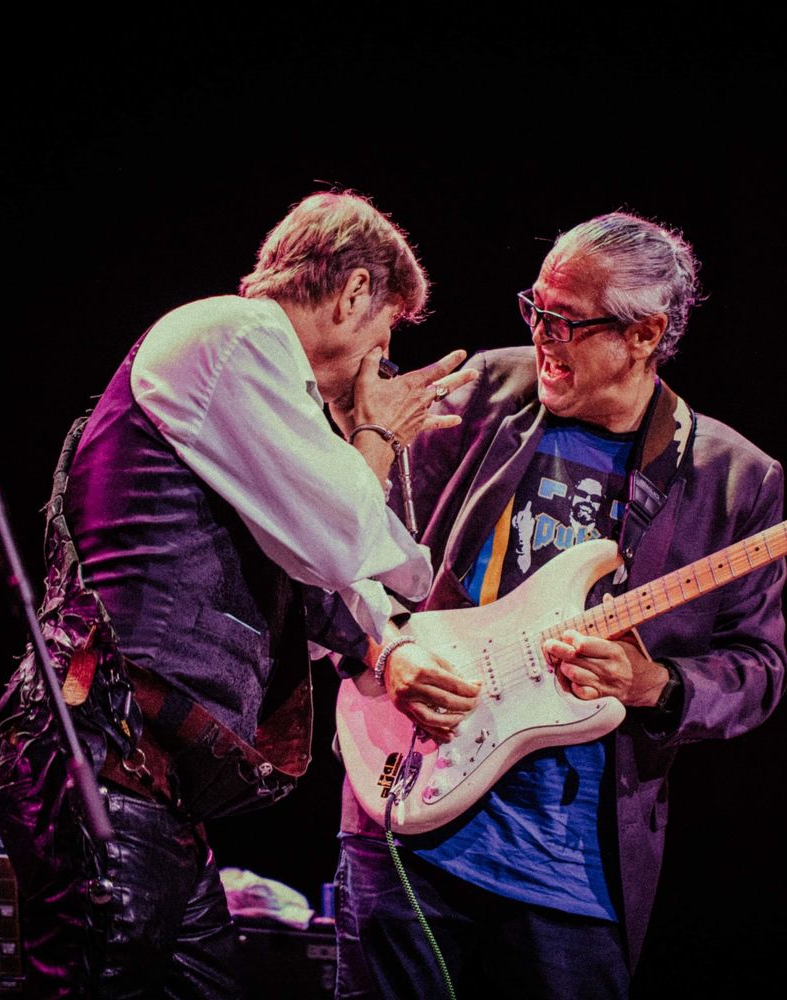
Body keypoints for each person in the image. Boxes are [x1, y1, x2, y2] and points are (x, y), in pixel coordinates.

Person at [0, 190, 476, 998]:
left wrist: (390, 639)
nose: (380, 359)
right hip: (104, 760)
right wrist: (379, 435)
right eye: (387, 328)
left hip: (151, 788)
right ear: (355, 292)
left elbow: (355, 580)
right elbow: (342, 543)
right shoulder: (236, 335)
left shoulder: (263, 387)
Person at [335, 212, 787, 999]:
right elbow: (346, 552)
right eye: (535, 309)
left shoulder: (735, 479)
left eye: (568, 322)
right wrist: (387, 653)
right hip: (408, 813)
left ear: (645, 335)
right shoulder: (481, 394)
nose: (544, 335)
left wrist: (654, 686)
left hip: (571, 875)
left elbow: (760, 668)